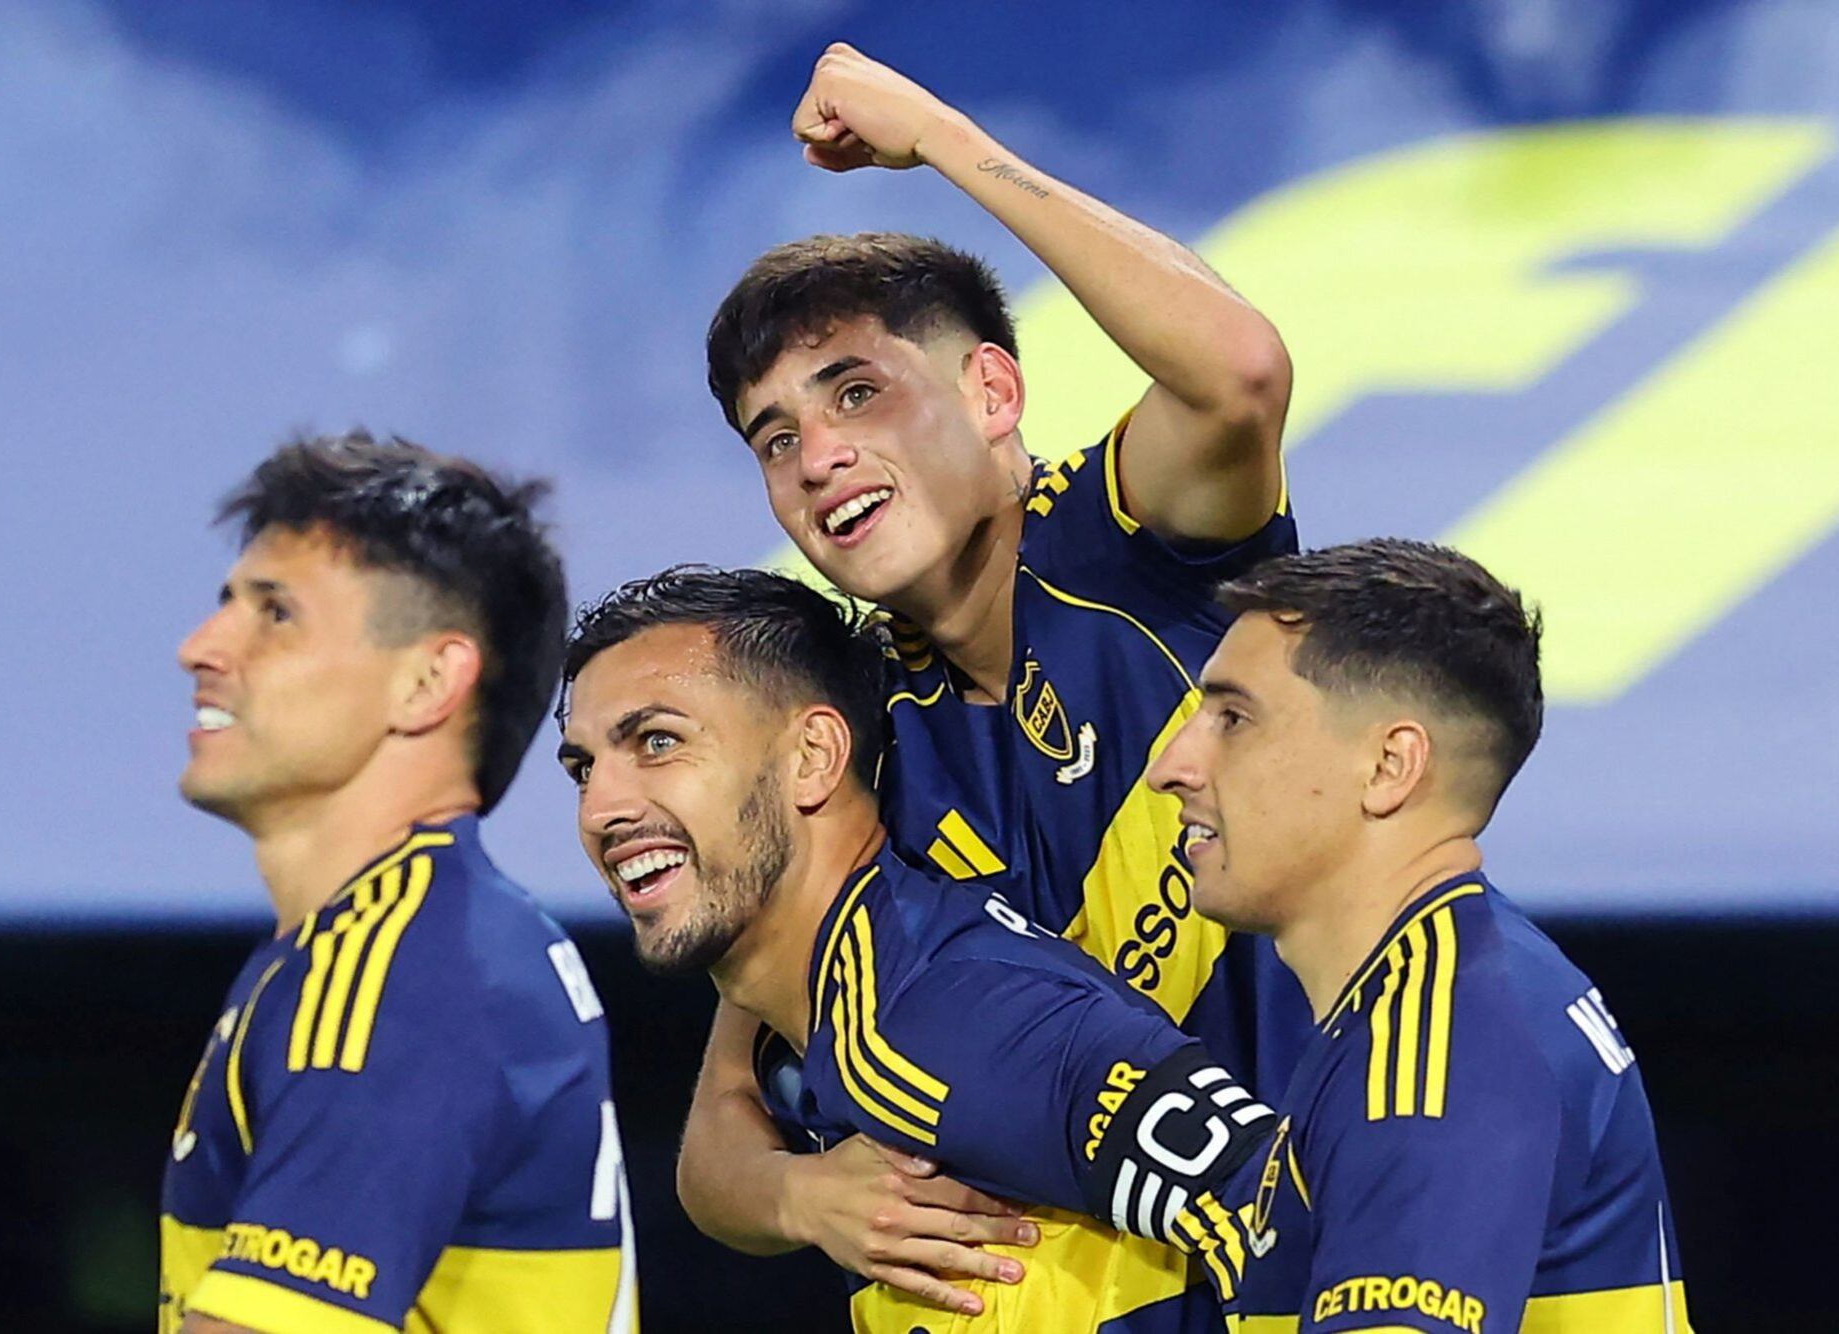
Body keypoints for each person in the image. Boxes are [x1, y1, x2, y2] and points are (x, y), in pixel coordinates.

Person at [684, 42, 1303, 1319]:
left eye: (858, 392)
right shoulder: (847, 734)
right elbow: (714, 1138)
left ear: (991, 389)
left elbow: (1239, 371)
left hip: (1328, 1252)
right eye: (775, 437)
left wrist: (943, 141)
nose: (817, 457)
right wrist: (804, 1196)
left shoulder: (1124, 544)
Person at [555, 567, 1277, 1331]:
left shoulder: (942, 1017)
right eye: (583, 769)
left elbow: (1282, 1204)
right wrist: (793, 1195)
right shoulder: (840, 1008)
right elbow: (712, 1171)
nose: (601, 810)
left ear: (813, 757)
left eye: (658, 742)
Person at [1145, 538, 1692, 1331]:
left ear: (1389, 767)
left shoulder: (1439, 1055)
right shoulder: (1459, 992)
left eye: (1233, 719)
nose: (1171, 767)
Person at [160, 434, 635, 1334]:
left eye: (276, 613)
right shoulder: (426, 941)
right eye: (227, 604)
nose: (200, 648)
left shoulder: (406, 976)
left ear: (427, 681)